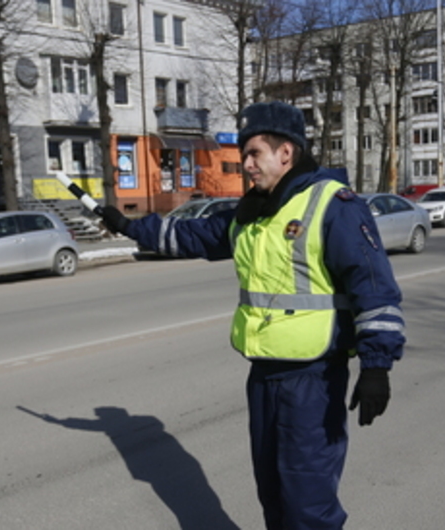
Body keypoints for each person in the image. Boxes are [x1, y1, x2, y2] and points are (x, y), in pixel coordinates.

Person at [99, 101, 405, 530]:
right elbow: (190, 236)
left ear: (286, 153)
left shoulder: (333, 205)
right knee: (273, 494)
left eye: (253, 154)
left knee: (308, 501)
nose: (245, 165)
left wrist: (377, 366)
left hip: (313, 378)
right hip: (263, 374)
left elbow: (374, 287)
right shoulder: (254, 212)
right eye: (243, 155)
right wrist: (129, 225)